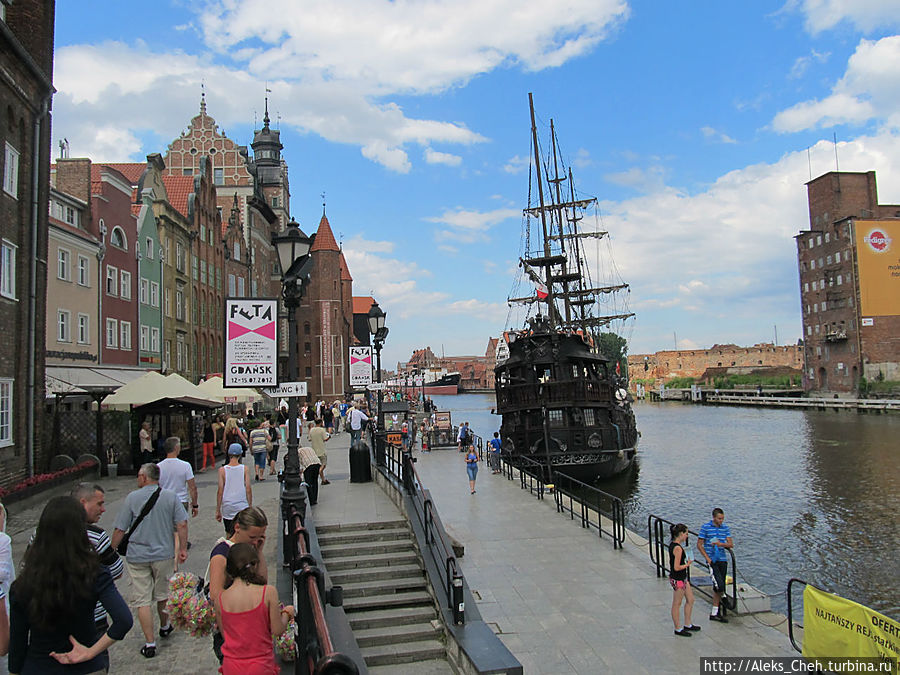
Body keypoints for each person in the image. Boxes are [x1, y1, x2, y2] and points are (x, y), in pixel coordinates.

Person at [9, 496, 133, 673]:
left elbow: (17, 643)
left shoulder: (23, 585)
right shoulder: (95, 574)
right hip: (86, 666)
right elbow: (123, 620)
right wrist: (91, 652)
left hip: (40, 665)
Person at [111, 463, 188, 659]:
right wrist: (183, 548)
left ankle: (150, 642)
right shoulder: (170, 497)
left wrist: (111, 549)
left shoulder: (132, 498)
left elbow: (120, 528)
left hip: (137, 556)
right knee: (163, 595)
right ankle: (164, 625)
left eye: (138, 475)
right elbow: (181, 523)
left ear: (144, 478)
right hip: (163, 553)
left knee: (142, 599)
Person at [216, 543, 294, 675]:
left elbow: (225, 634)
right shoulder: (267, 592)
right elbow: (277, 630)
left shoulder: (220, 598)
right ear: (255, 565)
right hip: (260, 664)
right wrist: (287, 613)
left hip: (232, 665)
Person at [208, 507, 269, 664]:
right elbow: (216, 595)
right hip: (231, 629)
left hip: (248, 626)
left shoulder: (248, 549)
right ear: (237, 528)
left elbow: (262, 580)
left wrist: (259, 551)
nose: (255, 542)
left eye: (260, 537)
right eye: (252, 537)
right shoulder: (222, 553)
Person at [70, 483, 125, 654]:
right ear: (83, 503)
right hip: (93, 616)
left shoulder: (40, 534)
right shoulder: (96, 535)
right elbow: (116, 569)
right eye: (99, 504)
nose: (103, 510)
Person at [697, 507, 733, 623]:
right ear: (714, 518)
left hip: (722, 558)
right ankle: (724, 598)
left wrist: (720, 544)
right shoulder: (706, 527)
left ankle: (715, 612)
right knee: (719, 585)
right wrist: (707, 558)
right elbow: (699, 544)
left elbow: (730, 544)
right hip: (712, 559)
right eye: (719, 518)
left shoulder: (725, 528)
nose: (721, 521)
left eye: (722, 518)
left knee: (719, 585)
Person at [669, 523, 700, 636]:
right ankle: (678, 628)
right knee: (677, 603)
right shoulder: (677, 548)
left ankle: (688, 623)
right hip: (678, 578)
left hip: (682, 577)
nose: (687, 536)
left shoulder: (674, 545)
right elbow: (676, 567)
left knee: (690, 599)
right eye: (686, 534)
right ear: (681, 534)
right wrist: (687, 564)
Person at [158, 436, 199, 520]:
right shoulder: (185, 465)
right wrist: (195, 504)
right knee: (180, 527)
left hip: (164, 501)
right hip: (181, 500)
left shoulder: (158, 467)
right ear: (176, 448)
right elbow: (192, 487)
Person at [217, 444, 253, 535]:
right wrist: (250, 505)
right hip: (241, 504)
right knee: (242, 532)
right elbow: (248, 488)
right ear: (240, 454)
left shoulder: (222, 470)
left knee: (229, 533)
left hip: (228, 505)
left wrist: (218, 509)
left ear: (228, 454)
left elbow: (220, 490)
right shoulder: (245, 469)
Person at [308, 419, 330, 485]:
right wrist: (329, 437)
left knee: (316, 464)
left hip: (314, 450)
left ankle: (323, 479)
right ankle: (320, 472)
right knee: (323, 465)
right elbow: (325, 439)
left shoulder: (311, 430)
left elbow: (309, 439)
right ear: (320, 423)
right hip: (321, 450)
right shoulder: (322, 430)